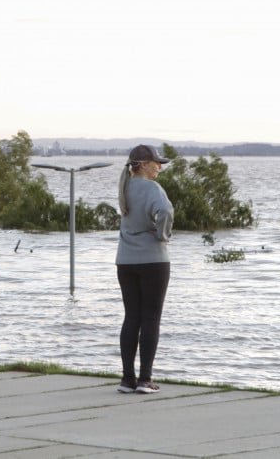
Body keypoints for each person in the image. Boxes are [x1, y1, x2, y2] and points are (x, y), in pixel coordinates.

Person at [115, 144, 174, 394]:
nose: (159, 167)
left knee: (131, 317)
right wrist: (162, 235)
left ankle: (127, 379)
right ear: (143, 165)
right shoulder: (152, 188)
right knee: (151, 318)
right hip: (153, 259)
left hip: (125, 260)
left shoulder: (124, 187)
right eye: (156, 163)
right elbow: (165, 211)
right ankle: (145, 379)